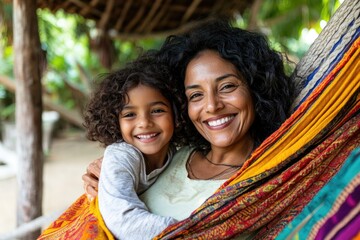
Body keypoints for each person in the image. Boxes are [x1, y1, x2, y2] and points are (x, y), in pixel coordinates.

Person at [82, 19, 296, 238]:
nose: (212, 106)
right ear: (182, 106)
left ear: (256, 88)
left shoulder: (269, 181)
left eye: (227, 86)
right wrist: (105, 174)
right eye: (196, 95)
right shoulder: (171, 155)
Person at [81, 55, 187, 239]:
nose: (144, 123)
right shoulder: (121, 156)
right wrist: (190, 230)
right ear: (115, 121)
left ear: (176, 113)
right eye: (130, 114)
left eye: (157, 111)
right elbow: (124, 221)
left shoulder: (177, 153)